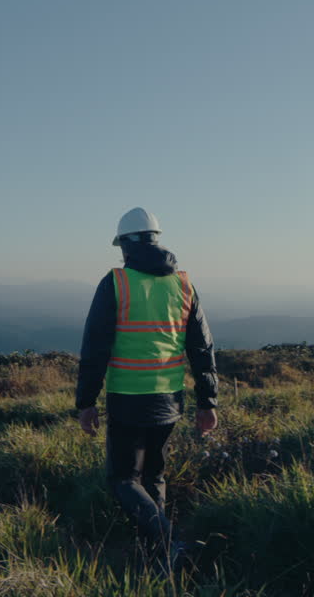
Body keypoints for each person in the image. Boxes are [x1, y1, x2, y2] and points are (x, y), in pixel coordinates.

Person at [75, 207, 218, 572]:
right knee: (153, 475)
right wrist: (207, 401)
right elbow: (202, 348)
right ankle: (160, 558)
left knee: (123, 478)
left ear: (125, 245)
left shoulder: (116, 284)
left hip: (128, 398)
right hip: (170, 400)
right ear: (156, 239)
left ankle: (168, 541)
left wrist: (86, 402)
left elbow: (95, 346)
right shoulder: (183, 285)